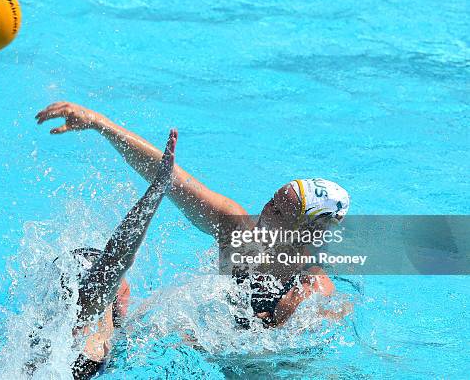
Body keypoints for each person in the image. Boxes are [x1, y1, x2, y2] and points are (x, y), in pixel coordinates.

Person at [36, 102, 351, 328]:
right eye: (271, 200)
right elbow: (168, 176)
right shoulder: (236, 228)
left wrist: (292, 315)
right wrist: (100, 124)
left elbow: (325, 314)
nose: (267, 210)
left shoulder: (310, 284)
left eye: (281, 211)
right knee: (114, 291)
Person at [26, 127, 177, 378]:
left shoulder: (47, 335)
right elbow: (117, 256)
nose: (125, 283)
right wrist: (157, 190)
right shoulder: (86, 316)